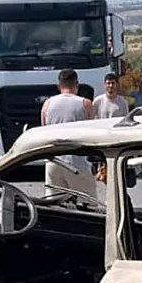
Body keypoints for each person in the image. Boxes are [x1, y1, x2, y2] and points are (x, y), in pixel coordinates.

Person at [41, 69, 97, 197]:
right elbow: (92, 134)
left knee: (54, 206)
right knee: (88, 205)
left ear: (59, 85)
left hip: (53, 162)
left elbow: (44, 133)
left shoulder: (47, 105)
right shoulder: (85, 104)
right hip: (77, 162)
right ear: (77, 84)